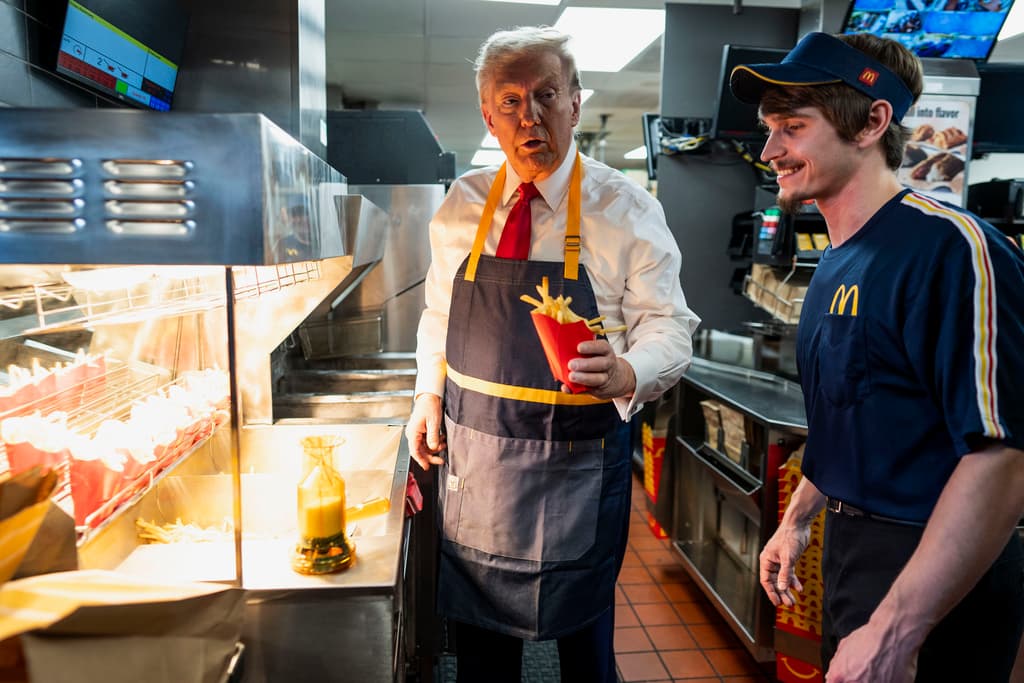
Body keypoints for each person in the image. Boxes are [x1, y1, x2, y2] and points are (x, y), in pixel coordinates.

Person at [404, 26, 699, 683]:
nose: (528, 116)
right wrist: (428, 393)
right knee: (483, 659)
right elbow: (441, 314)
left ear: (575, 102)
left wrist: (628, 370)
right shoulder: (463, 205)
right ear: (487, 114)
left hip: (577, 470)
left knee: (584, 656)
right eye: (509, 101)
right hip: (478, 471)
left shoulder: (625, 209)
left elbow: (672, 329)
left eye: (545, 95)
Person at [730, 31, 1024, 682]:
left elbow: (1003, 457)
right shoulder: (834, 265)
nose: (771, 150)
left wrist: (896, 629)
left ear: (872, 121)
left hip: (939, 573)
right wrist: (798, 517)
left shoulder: (954, 249)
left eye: (792, 127)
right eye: (769, 129)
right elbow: (856, 420)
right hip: (853, 552)